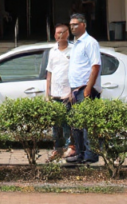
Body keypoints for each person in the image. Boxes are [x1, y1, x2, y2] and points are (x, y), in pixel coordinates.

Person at [65, 13, 100, 165]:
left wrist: (87, 89)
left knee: (87, 125)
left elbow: (96, 66)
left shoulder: (90, 42)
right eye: (71, 24)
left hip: (86, 89)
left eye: (75, 24)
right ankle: (79, 153)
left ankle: (90, 155)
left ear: (83, 25)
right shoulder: (75, 44)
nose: (72, 27)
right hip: (75, 90)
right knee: (76, 125)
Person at [46, 23, 74, 162]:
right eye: (57, 33)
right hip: (55, 93)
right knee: (55, 124)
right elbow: (49, 73)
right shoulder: (52, 51)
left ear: (67, 33)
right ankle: (57, 149)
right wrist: (47, 93)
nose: (59, 35)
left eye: (62, 32)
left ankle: (70, 148)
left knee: (67, 123)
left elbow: (76, 72)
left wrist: (71, 91)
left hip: (67, 93)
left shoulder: (73, 50)